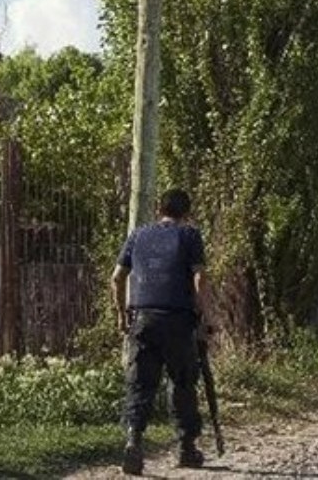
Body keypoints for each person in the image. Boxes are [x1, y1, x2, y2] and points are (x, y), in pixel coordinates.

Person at [112, 189, 212, 476]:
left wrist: (121, 314)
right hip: (177, 320)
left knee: (140, 384)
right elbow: (200, 276)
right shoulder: (190, 235)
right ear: (188, 212)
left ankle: (133, 440)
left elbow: (117, 277)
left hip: (143, 319)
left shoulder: (138, 235)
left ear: (158, 209)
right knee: (182, 381)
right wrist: (204, 317)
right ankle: (186, 447)